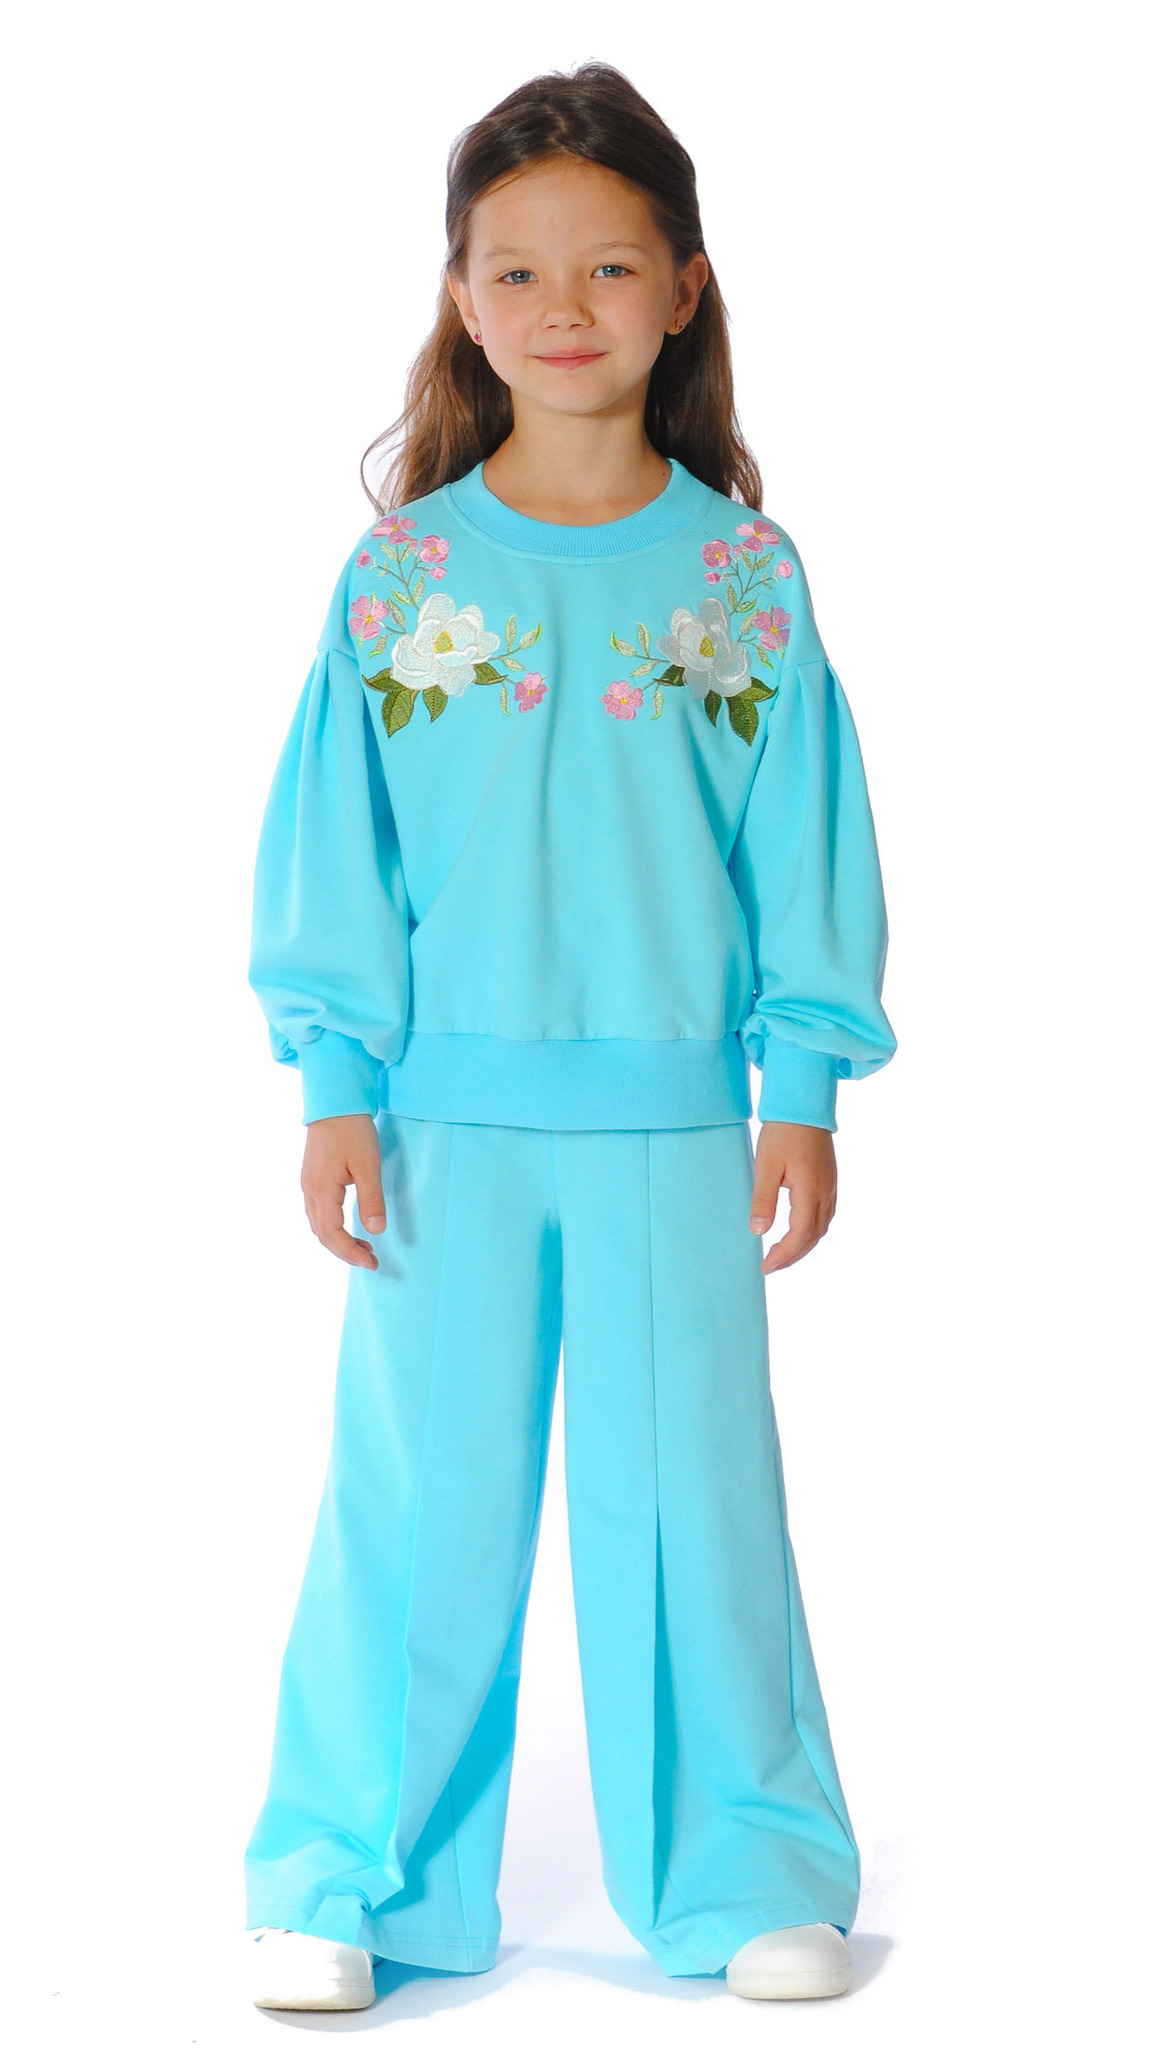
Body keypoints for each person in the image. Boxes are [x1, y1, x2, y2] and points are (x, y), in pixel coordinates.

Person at [243, 59, 897, 2013]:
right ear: (461, 296)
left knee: (694, 1510)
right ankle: (349, 1873)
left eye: (609, 265)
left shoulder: (743, 577)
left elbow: (804, 851)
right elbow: (338, 852)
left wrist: (801, 1087)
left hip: (677, 1133)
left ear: (683, 288)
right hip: (437, 1131)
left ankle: (744, 1866)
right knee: (414, 1514)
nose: (562, 306)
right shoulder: (403, 575)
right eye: (515, 269)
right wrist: (335, 1082)